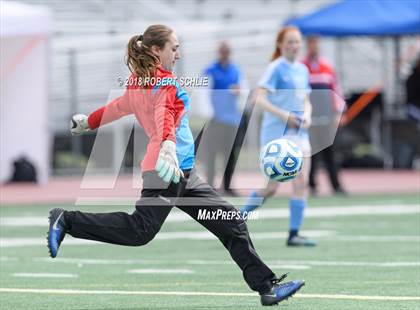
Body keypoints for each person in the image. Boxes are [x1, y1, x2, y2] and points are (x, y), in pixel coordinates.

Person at [46, 24, 304, 306]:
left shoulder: (139, 83)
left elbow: (117, 108)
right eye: (174, 48)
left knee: (231, 222)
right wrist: (167, 145)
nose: (178, 54)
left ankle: (267, 288)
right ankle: (67, 220)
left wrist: (87, 122)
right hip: (165, 171)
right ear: (157, 50)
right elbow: (163, 116)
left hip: (183, 174)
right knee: (140, 231)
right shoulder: (163, 83)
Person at [240, 26, 316, 247]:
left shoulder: (302, 70)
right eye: (290, 42)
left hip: (300, 133)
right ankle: (238, 219)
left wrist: (308, 116)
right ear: (281, 45)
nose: (295, 45)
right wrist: (285, 116)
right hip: (278, 134)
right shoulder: (275, 68)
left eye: (297, 41)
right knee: (272, 188)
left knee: (302, 182)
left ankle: (294, 234)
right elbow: (258, 99)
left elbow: (305, 100)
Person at [302, 36, 346, 196]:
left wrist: (338, 113)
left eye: (316, 44)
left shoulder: (327, 66)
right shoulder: (301, 67)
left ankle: (336, 186)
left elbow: (336, 91)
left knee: (330, 153)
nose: (314, 47)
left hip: (327, 118)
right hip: (310, 119)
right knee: (311, 154)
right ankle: (312, 186)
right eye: (311, 44)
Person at [202, 41, 242, 196]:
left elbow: (242, 91)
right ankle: (211, 186)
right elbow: (203, 93)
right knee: (212, 153)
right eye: (222, 51)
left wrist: (239, 92)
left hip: (232, 120)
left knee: (230, 154)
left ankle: (228, 185)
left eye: (227, 51)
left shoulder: (236, 70)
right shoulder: (210, 70)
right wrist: (210, 114)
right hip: (216, 119)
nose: (225, 54)